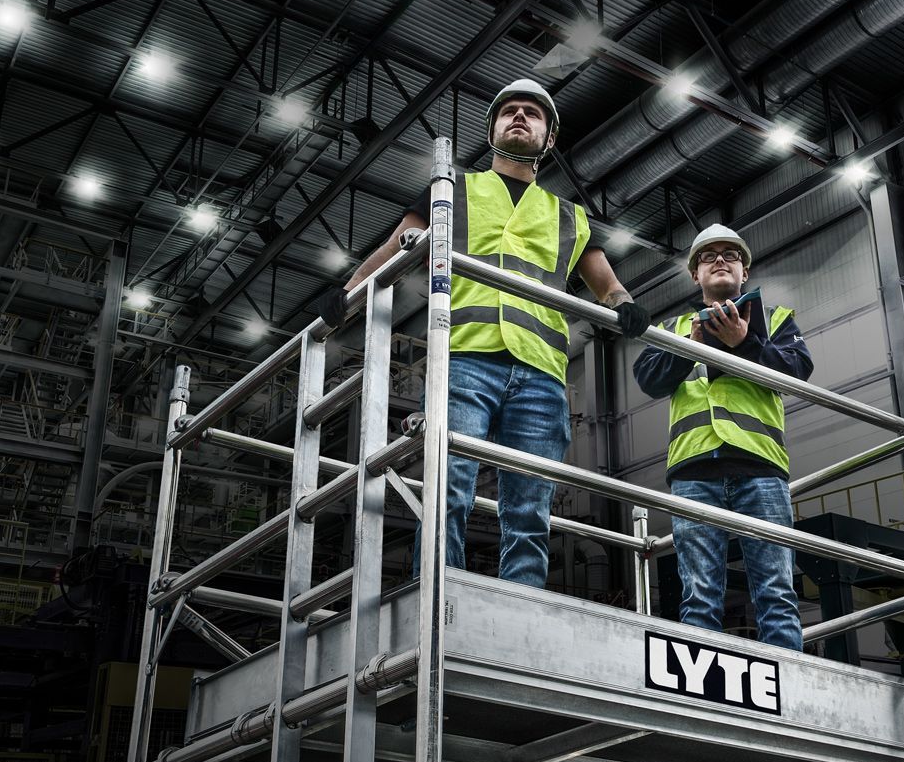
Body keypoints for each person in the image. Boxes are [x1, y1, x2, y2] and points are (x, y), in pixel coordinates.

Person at [317, 79, 650, 588]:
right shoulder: (452, 190)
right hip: (464, 358)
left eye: (532, 113)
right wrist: (347, 292)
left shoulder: (571, 216)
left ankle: (519, 605)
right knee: (448, 486)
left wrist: (625, 305)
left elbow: (608, 286)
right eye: (509, 111)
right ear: (492, 129)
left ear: (549, 138)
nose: (519, 117)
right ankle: (439, 596)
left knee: (530, 508)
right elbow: (394, 250)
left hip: (541, 372)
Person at [632, 224, 812, 650]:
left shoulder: (776, 320)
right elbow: (649, 379)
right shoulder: (673, 327)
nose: (719, 260)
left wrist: (745, 342)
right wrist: (691, 345)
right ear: (695, 274)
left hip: (759, 466)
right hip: (694, 469)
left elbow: (797, 372)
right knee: (699, 595)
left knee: (776, 591)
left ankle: (788, 685)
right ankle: (704, 687)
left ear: (744, 272)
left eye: (730, 255)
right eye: (708, 256)